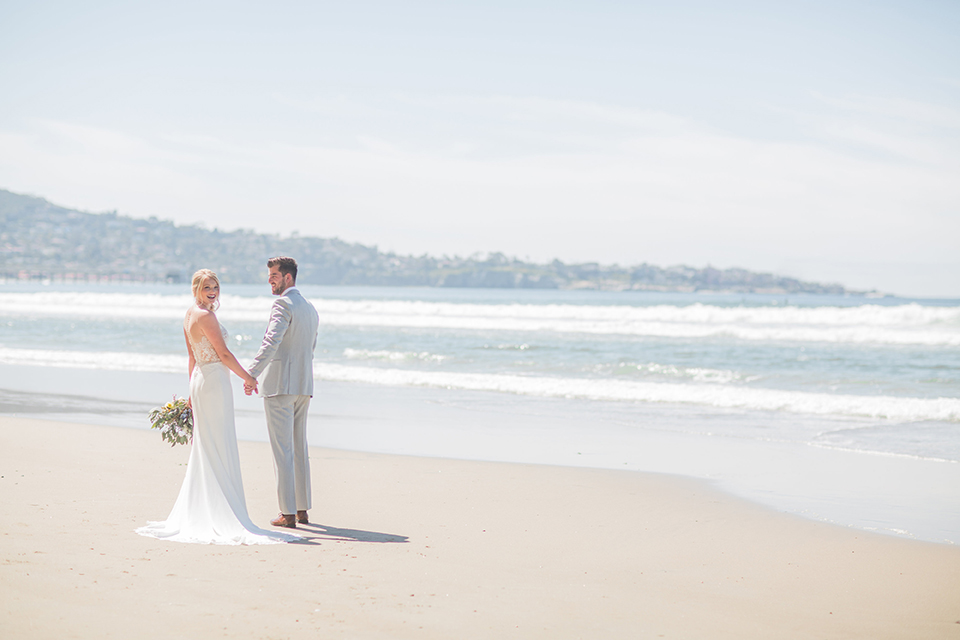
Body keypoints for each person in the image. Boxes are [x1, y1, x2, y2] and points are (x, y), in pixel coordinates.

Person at [137, 269, 298, 545]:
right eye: (206, 287)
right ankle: (221, 512)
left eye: (216, 286)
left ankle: (206, 507)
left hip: (201, 381)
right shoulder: (205, 316)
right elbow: (223, 354)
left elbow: (191, 357)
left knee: (208, 445)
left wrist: (191, 390)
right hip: (213, 383)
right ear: (196, 289)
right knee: (218, 445)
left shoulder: (190, 314)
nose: (212, 291)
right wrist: (248, 376)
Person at [245, 257, 320, 529]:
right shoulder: (310, 308)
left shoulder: (282, 304)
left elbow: (271, 342)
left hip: (280, 387)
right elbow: (310, 349)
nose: (270, 280)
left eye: (274, 275)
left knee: (283, 451)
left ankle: (287, 513)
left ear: (288, 277)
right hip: (303, 386)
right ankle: (301, 509)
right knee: (299, 448)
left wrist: (251, 373)